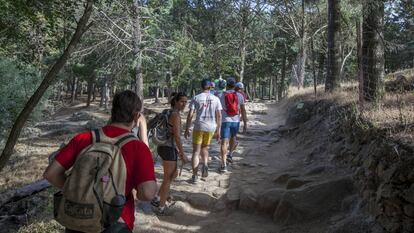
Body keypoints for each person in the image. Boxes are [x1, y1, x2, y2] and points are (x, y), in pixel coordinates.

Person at [43, 90, 157, 233]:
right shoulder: (138, 148)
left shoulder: (83, 138)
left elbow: (51, 174)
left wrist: (81, 191)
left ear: (113, 111)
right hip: (116, 221)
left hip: (78, 219)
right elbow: (147, 193)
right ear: (136, 116)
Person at [151, 92, 189, 215]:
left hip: (163, 147)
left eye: (186, 102)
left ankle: (157, 197)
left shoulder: (168, 112)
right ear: (176, 102)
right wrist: (182, 153)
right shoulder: (175, 115)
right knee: (168, 178)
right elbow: (177, 137)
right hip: (168, 148)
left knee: (172, 175)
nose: (184, 104)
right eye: (182, 101)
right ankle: (161, 207)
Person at [185, 79, 222, 183]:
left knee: (196, 151)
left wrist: (187, 128)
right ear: (210, 86)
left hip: (199, 126)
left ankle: (195, 175)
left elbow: (191, 114)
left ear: (201, 86)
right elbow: (219, 115)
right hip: (211, 127)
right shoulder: (216, 99)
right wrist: (218, 130)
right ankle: (205, 163)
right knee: (205, 148)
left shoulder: (196, 98)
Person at [219, 77, 248, 172]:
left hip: (225, 120)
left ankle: (223, 165)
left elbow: (218, 111)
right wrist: (245, 123)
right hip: (236, 121)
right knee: (233, 138)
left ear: (226, 85)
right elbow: (243, 110)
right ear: (235, 85)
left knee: (224, 142)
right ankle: (230, 154)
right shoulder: (239, 95)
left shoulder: (221, 95)